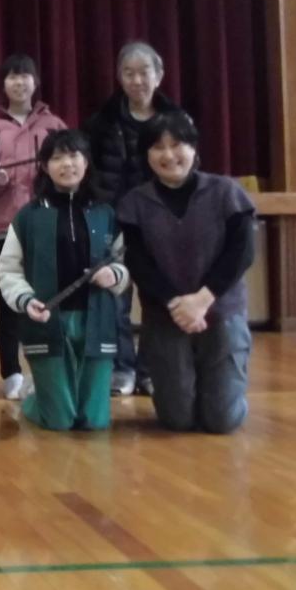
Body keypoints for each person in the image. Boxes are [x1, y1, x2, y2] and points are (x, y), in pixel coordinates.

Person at [117, 112, 255, 434]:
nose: (168, 155)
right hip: (167, 315)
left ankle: (229, 392)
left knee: (222, 421)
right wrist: (177, 305)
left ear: (193, 148)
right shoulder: (134, 203)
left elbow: (242, 253)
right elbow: (139, 263)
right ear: (146, 155)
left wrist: (202, 300)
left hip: (221, 312)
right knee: (176, 419)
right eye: (157, 147)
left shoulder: (226, 192)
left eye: (177, 144)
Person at [0, 130, 128, 431]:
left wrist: (114, 275)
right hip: (46, 322)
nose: (67, 163)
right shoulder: (28, 216)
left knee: (94, 421)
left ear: (86, 162)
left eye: (74, 155)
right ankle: (36, 399)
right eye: (57, 158)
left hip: (96, 322)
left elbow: (124, 264)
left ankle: (60, 395)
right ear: (44, 166)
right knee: (60, 421)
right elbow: (7, 271)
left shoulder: (106, 213)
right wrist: (26, 300)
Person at [83, 40, 182, 396]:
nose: (137, 80)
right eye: (129, 73)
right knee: (115, 299)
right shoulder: (102, 121)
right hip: (114, 222)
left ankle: (151, 370)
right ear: (119, 77)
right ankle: (122, 368)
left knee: (157, 299)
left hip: (161, 222)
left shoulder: (176, 121)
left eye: (144, 72)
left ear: (159, 75)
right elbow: (88, 170)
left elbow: (189, 172)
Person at [0, 53, 67, 400]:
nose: (19, 82)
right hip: (5, 224)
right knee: (8, 299)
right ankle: (11, 372)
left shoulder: (54, 125)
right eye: (12, 76)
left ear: (35, 82)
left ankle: (48, 368)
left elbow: (71, 171)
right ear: (3, 84)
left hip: (48, 223)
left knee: (48, 295)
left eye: (25, 75)